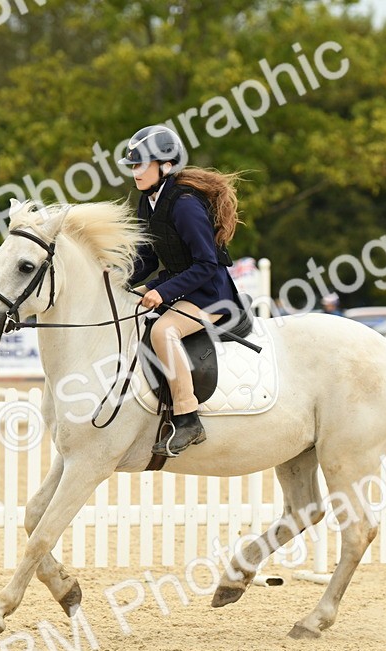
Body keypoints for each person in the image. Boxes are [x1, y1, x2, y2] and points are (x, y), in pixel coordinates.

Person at [122, 124, 242, 457]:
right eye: (133, 165)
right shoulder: (148, 202)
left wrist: (161, 292)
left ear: (166, 166)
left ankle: (189, 419)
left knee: (163, 331)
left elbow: (205, 265)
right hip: (181, 288)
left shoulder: (186, 205)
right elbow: (147, 258)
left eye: (141, 164)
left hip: (211, 294)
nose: (135, 172)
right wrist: (118, 279)